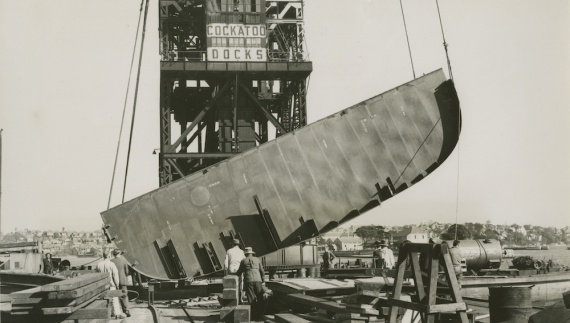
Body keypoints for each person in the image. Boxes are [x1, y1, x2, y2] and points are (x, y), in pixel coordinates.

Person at [236, 247, 265, 320]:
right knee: (260, 297)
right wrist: (263, 280)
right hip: (258, 280)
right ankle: (260, 315)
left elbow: (239, 272)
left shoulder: (243, 261)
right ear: (252, 253)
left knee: (251, 298)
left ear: (246, 254)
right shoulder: (257, 259)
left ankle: (254, 316)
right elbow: (262, 271)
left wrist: (233, 274)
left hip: (249, 280)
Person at [96, 250, 124, 319]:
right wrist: (117, 285)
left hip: (102, 286)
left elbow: (96, 276)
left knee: (104, 299)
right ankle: (117, 314)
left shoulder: (98, 264)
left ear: (103, 256)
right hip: (111, 284)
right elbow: (115, 275)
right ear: (109, 256)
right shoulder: (112, 264)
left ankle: (106, 314)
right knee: (114, 299)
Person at [111, 249, 131, 317]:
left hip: (113, 282)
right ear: (119, 253)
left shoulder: (111, 261)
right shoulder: (124, 261)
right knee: (124, 296)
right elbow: (127, 272)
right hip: (122, 281)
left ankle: (116, 312)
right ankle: (126, 311)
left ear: (113, 254)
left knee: (114, 297)